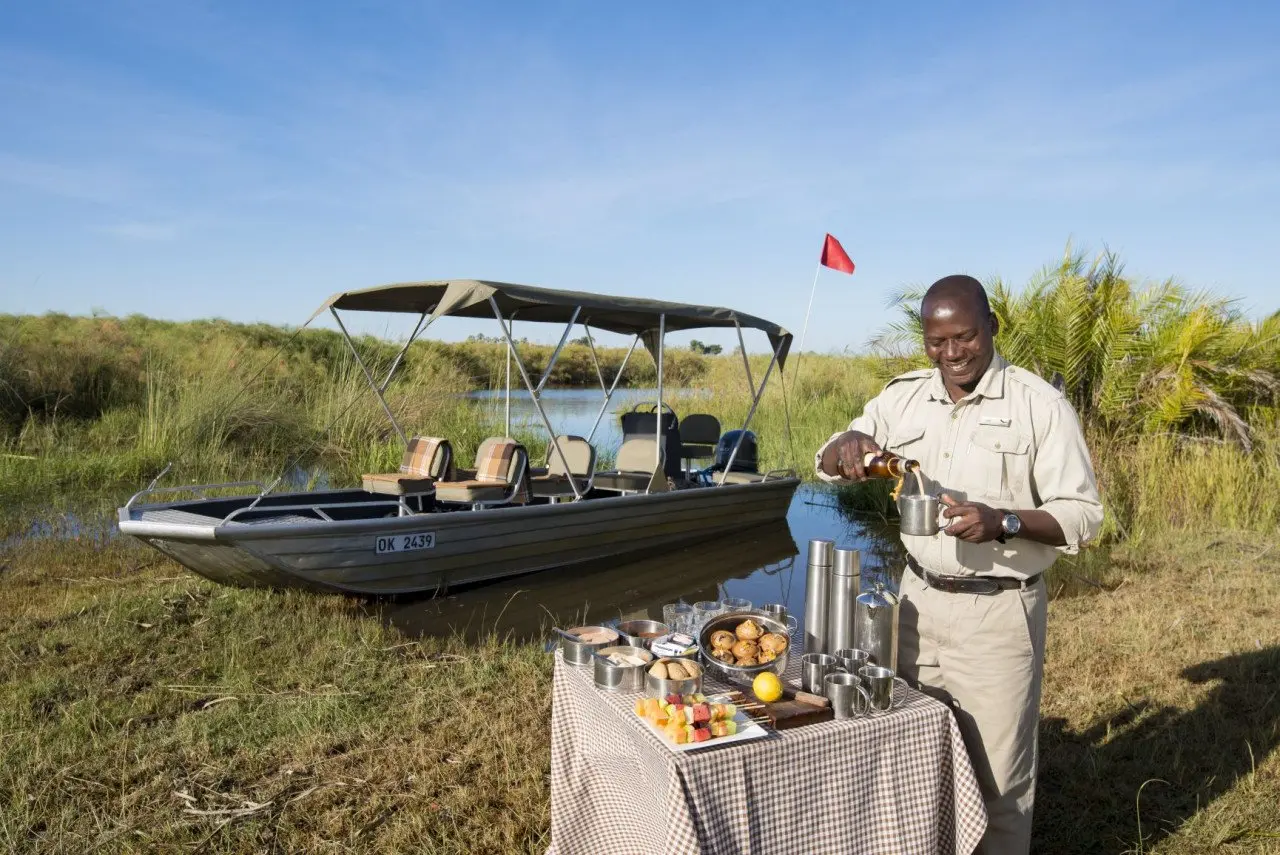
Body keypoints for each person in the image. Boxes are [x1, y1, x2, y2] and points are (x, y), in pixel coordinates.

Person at [814, 274, 1103, 854]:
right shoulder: (904, 396)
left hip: (997, 612)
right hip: (916, 603)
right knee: (918, 758)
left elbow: (1083, 515)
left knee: (998, 782)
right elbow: (828, 460)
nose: (951, 354)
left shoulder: (1037, 405)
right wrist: (847, 441)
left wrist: (1004, 521)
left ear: (992, 326)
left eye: (965, 337)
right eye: (936, 341)